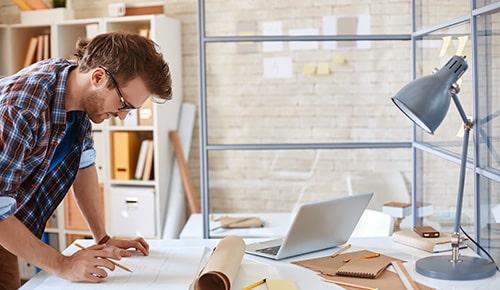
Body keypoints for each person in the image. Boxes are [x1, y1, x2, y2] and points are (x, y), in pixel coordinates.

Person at [0, 31, 172, 289]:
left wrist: (102, 238)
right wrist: (63, 264)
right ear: (99, 77)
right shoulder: (22, 107)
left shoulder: (75, 90)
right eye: (123, 104)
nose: (122, 117)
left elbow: (83, 165)